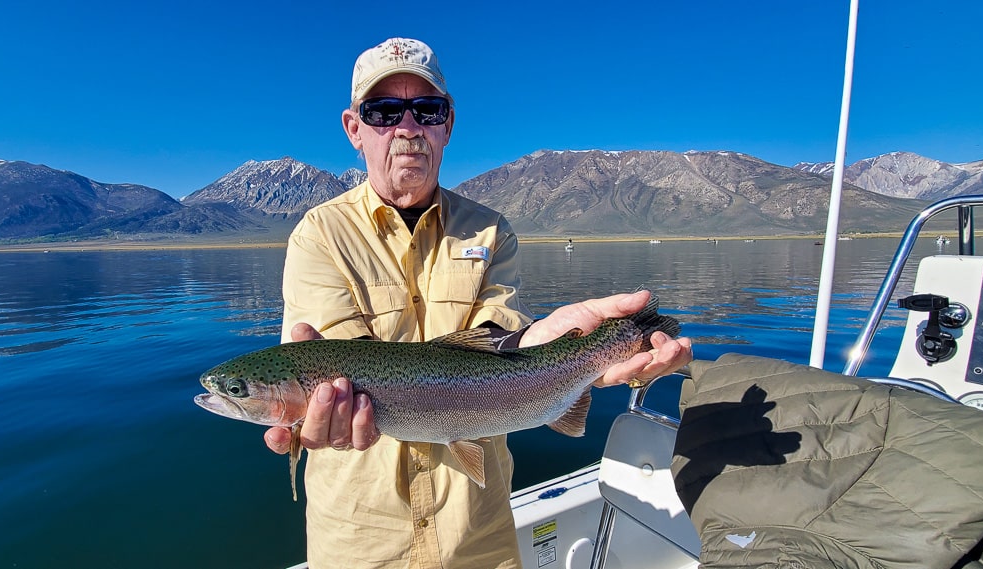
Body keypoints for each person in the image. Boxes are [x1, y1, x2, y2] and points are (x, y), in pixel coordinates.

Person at [262, 37, 694, 569]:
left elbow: (504, 341)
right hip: (360, 539)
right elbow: (340, 363)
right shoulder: (318, 235)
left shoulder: (493, 231)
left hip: (478, 533)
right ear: (354, 128)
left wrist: (571, 350)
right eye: (383, 112)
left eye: (427, 110)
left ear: (447, 125)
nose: (408, 128)